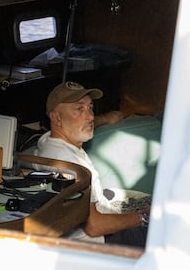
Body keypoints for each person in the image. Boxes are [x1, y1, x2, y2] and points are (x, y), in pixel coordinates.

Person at [36, 81, 150, 247]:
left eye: (90, 107)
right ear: (56, 118)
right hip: (100, 241)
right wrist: (144, 218)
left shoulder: (48, 140)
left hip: (101, 218)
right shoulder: (68, 164)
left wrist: (105, 119)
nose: (89, 116)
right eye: (79, 109)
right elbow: (94, 227)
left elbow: (85, 122)